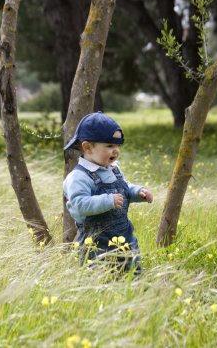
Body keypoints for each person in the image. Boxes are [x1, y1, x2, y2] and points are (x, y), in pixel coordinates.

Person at [63, 112, 153, 272]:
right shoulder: (78, 177)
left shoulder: (114, 169)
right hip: (97, 244)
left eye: (118, 146)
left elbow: (124, 188)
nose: (116, 151)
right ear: (88, 147)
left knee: (132, 274)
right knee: (101, 279)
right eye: (109, 146)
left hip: (124, 238)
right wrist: (107, 201)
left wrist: (138, 192)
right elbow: (79, 204)